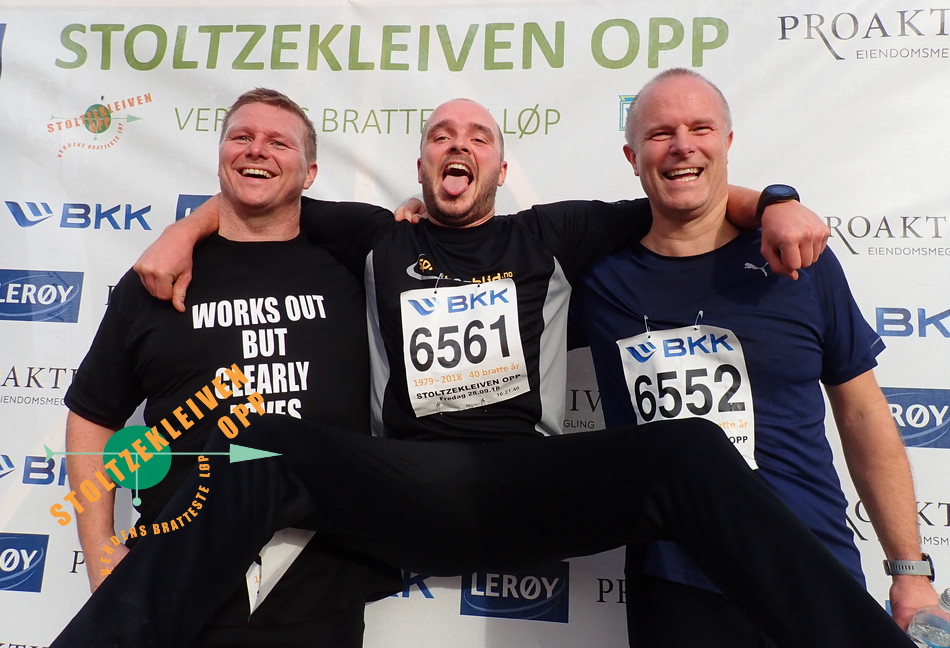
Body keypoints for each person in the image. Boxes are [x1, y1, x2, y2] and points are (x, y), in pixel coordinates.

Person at [53, 96, 916, 648]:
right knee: (257, 440)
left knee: (686, 449)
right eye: (440, 136)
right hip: (406, 488)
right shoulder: (377, 236)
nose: (457, 145)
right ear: (423, 168)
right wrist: (184, 229)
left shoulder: (552, 234)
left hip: (523, 485)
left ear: (501, 168)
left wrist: (777, 202)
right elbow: (262, 189)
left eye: (477, 137)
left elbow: (686, 191)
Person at [572, 68, 937, 647]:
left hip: (811, 561)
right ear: (632, 157)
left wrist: (910, 573)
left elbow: (864, 413)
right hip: (678, 586)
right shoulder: (598, 282)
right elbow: (491, 258)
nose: (683, 146)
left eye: (700, 129)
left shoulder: (798, 262)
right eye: (661, 133)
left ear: (728, 142)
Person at [60, 88, 399, 648]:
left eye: (279, 142)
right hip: (175, 581)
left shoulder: (356, 269)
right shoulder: (157, 278)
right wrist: (99, 551)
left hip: (321, 588)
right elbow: (91, 415)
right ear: (221, 155)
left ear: (311, 174)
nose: (256, 149)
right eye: (242, 136)